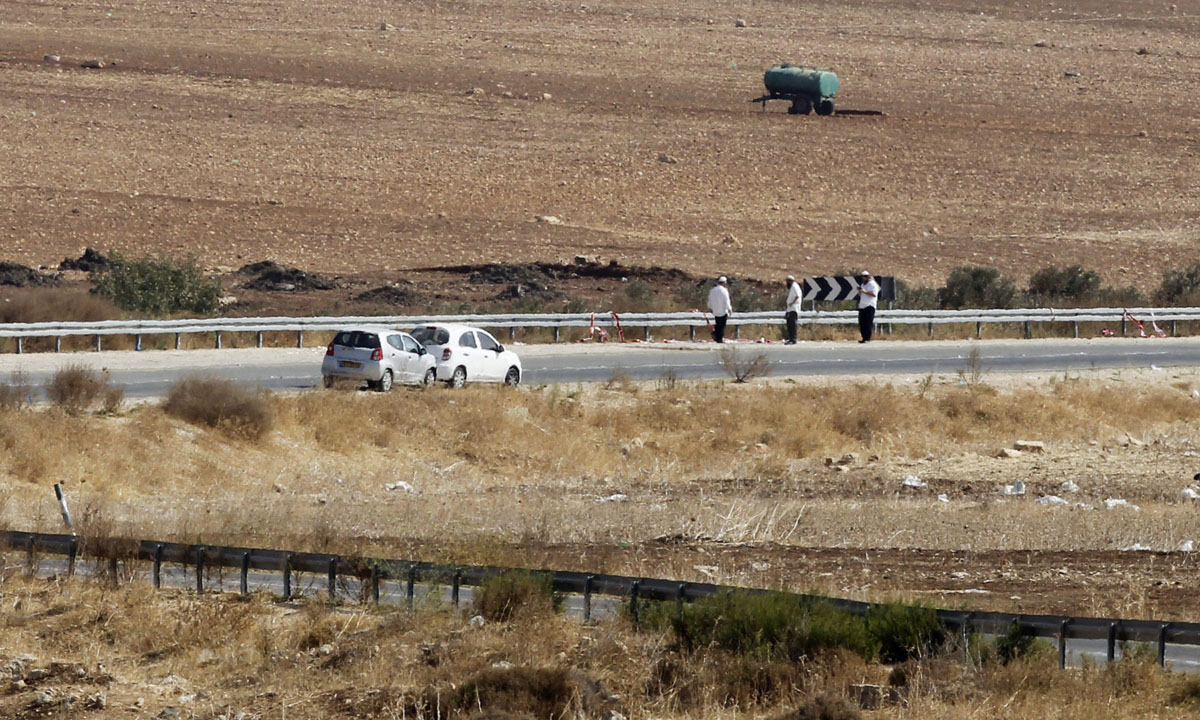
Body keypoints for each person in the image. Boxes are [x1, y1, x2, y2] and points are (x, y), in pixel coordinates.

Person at [857, 270, 879, 343]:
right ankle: (863, 338)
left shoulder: (872, 284)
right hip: (862, 305)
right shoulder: (863, 284)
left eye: (865, 276)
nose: (864, 278)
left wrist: (864, 291)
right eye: (863, 276)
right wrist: (860, 291)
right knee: (862, 323)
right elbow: (861, 294)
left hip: (870, 305)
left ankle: (867, 338)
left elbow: (874, 294)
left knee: (868, 323)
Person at [707, 276, 732, 343]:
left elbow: (710, 299)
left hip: (715, 310)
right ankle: (719, 338)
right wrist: (729, 308)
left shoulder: (713, 290)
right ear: (724, 283)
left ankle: (716, 336)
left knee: (718, 323)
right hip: (723, 311)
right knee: (722, 325)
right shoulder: (724, 290)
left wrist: (710, 307)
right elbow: (726, 301)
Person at [783, 275, 801, 344]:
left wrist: (792, 303)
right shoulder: (792, 287)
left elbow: (797, 296)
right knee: (789, 324)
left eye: (787, 281)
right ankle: (790, 339)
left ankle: (793, 339)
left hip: (794, 308)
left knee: (793, 325)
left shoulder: (794, 286)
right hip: (790, 309)